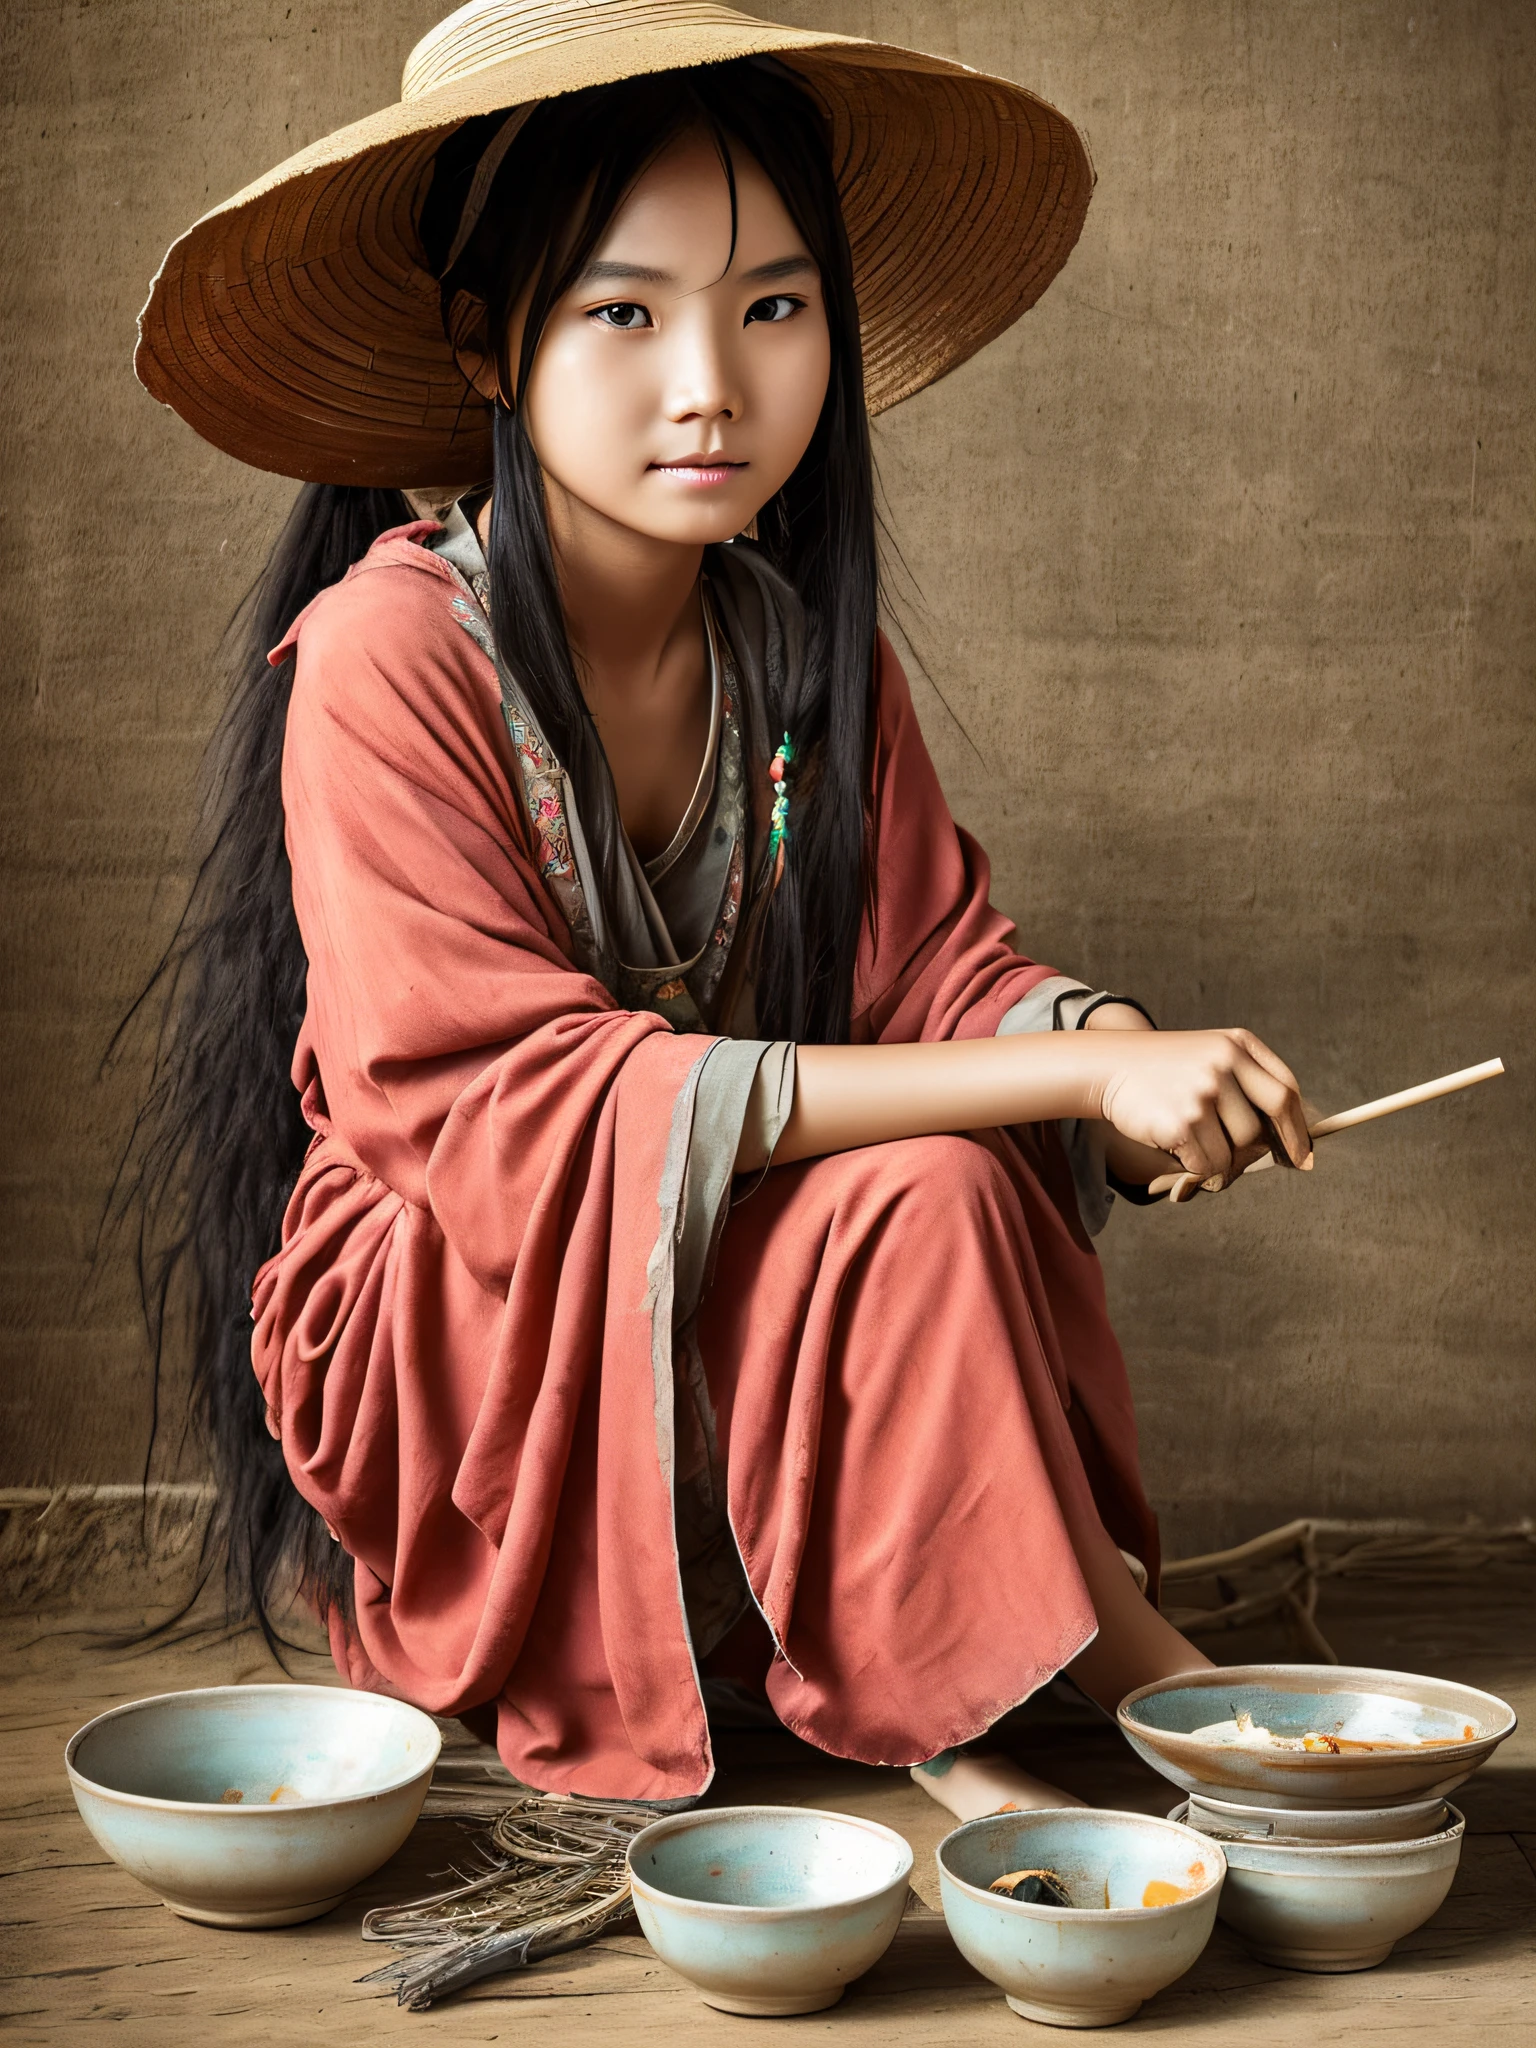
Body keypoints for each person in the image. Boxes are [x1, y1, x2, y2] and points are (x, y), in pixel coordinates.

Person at [131, 0, 1312, 1815]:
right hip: (465, 1304)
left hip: (715, 1256)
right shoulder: (386, 657)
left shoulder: (795, 649)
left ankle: (1115, 1677)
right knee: (921, 1156)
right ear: (484, 341)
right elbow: (514, 1112)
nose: (711, 382)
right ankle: (988, 1726)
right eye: (624, 310)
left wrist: (1116, 1054)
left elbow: (935, 969)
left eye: (771, 306)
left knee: (927, 1184)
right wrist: (1063, 1091)